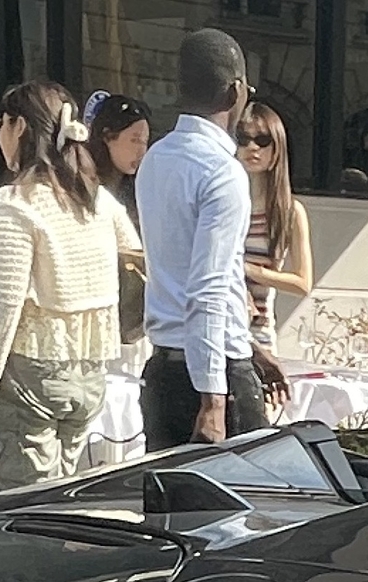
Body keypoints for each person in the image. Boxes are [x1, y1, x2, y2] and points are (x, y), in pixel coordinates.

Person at [0, 80, 137, 493]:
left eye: (1, 124)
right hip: (88, 372)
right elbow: (139, 261)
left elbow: (1, 302)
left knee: (19, 514)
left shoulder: (14, 204)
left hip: (28, 372)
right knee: (56, 506)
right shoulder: (98, 201)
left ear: (20, 128)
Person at [133, 29, 289, 448]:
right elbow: (208, 289)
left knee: (167, 512)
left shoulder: (155, 160)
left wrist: (252, 348)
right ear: (236, 91)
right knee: (244, 510)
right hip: (214, 377)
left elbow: (182, 273)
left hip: (164, 368)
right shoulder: (222, 172)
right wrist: (214, 401)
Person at [236, 102, 313, 349]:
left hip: (258, 337)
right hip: (216, 330)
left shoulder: (289, 212)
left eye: (263, 140)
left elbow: (303, 283)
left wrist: (247, 269)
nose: (252, 147)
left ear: (277, 146)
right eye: (243, 139)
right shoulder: (220, 202)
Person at [80, 91, 153, 347]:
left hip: (135, 324)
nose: (141, 150)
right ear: (107, 136)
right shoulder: (83, 191)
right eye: (134, 140)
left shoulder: (142, 191)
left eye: (145, 141)